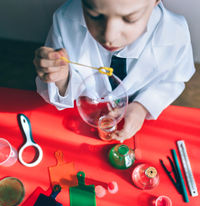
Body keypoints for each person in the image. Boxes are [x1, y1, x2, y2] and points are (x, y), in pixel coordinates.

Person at [34, 0, 195, 142]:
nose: (109, 36)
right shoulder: (65, 20)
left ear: (155, 1)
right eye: (95, 15)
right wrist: (61, 78)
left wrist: (142, 107)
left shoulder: (176, 32)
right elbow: (56, 92)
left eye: (130, 18)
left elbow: (174, 79)